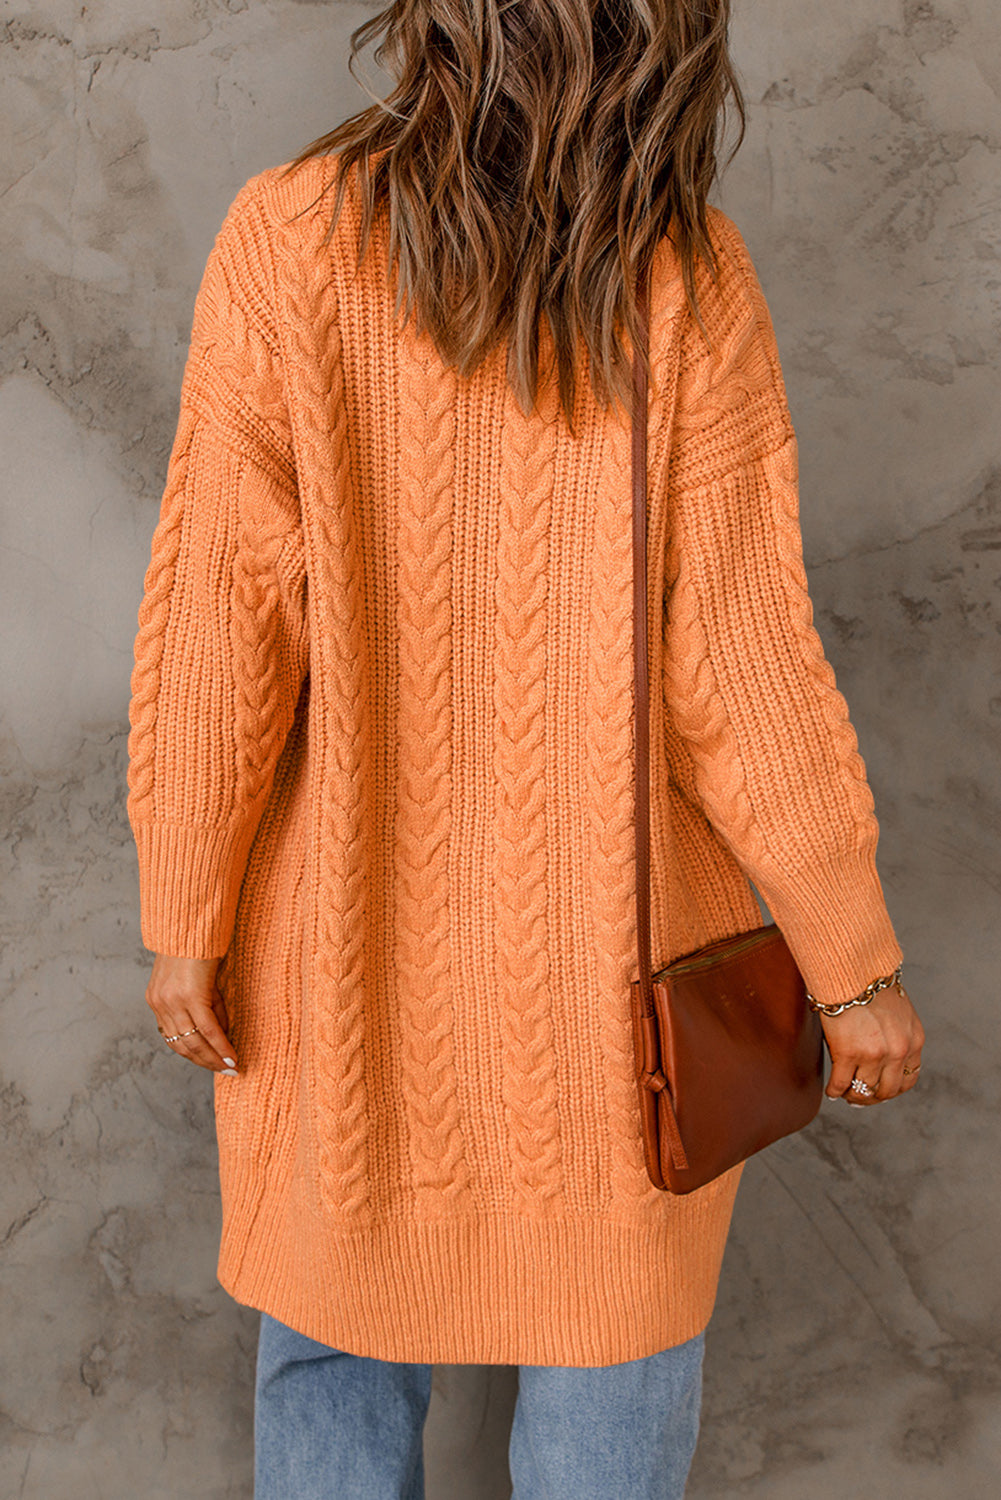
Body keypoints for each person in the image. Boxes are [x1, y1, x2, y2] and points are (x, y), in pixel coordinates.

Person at [126, 0, 925, 1494]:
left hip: (342, 952)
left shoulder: (287, 233)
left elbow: (221, 618)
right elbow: (742, 666)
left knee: (332, 1340)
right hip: (613, 974)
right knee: (614, 1345)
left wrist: (189, 908)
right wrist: (851, 962)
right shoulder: (687, 274)